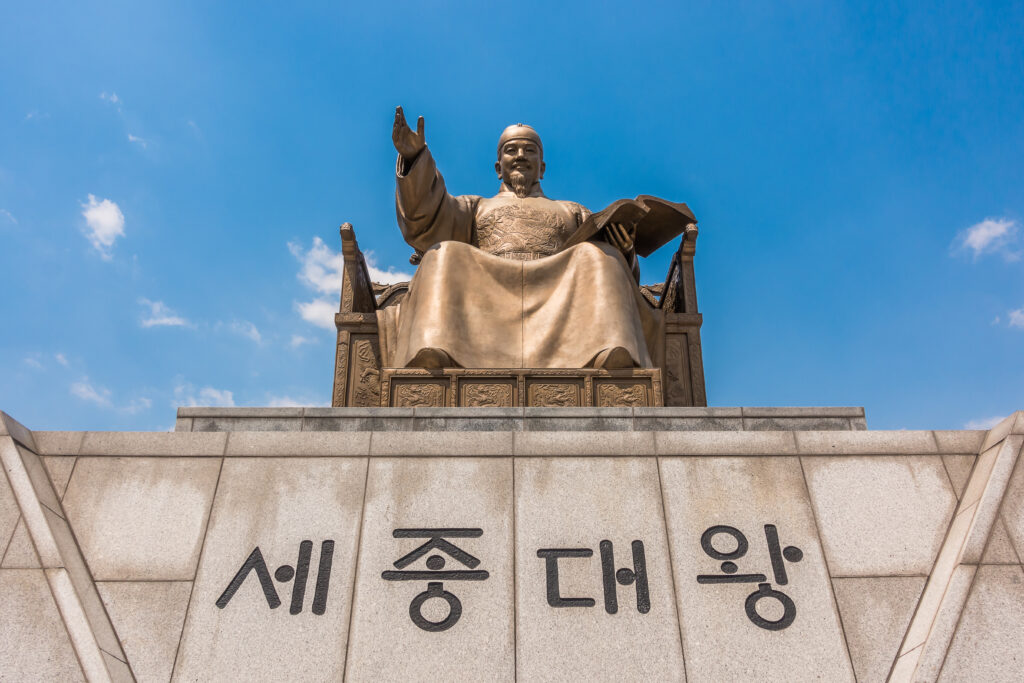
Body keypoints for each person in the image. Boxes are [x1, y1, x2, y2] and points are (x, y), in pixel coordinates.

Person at [385, 106, 660, 370]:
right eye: (511, 150)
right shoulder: (476, 207)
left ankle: (609, 349)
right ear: (498, 167)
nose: (520, 156)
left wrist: (624, 250)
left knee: (600, 255)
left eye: (529, 151)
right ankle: (434, 346)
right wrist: (415, 157)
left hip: (559, 294)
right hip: (487, 290)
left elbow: (607, 273)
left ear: (542, 168)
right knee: (443, 253)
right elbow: (427, 217)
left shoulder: (572, 211)